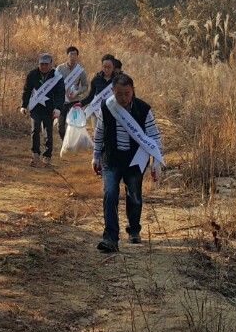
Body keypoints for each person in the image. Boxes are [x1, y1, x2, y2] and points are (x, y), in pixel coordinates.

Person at [92, 72, 163, 252]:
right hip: (111, 159)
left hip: (135, 161)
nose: (123, 98)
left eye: (127, 94)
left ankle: (133, 229)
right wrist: (95, 156)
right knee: (109, 195)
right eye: (118, 94)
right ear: (112, 92)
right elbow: (99, 132)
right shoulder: (107, 107)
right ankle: (110, 238)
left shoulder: (143, 109)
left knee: (134, 196)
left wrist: (156, 162)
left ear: (133, 91)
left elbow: (154, 136)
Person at [21, 53, 65, 166]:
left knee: (47, 131)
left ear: (51, 64)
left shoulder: (57, 76)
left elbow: (60, 94)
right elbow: (27, 90)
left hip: (50, 108)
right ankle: (35, 153)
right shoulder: (32, 75)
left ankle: (47, 156)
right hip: (35, 107)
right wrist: (24, 105)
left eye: (46, 64)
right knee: (35, 129)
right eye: (41, 64)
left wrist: (58, 108)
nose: (44, 66)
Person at [56, 46, 88, 141]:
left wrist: (77, 92)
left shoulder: (80, 71)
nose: (73, 57)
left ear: (77, 56)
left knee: (74, 124)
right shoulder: (59, 69)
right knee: (60, 124)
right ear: (67, 55)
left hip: (74, 101)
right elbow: (54, 83)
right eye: (71, 54)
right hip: (61, 101)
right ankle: (64, 141)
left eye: (75, 54)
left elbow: (85, 85)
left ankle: (72, 142)